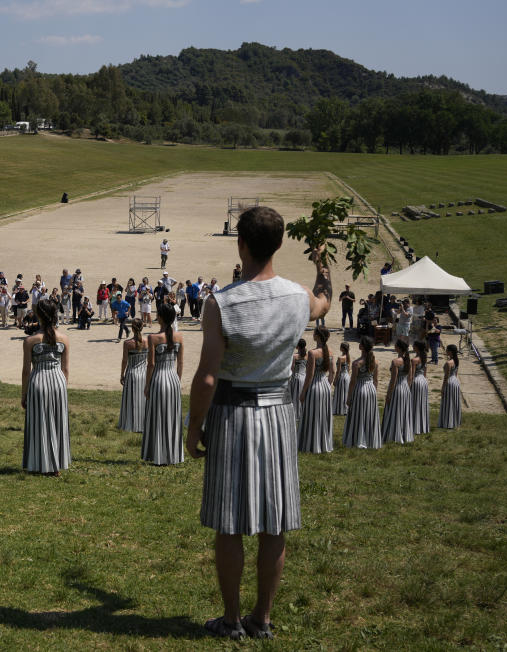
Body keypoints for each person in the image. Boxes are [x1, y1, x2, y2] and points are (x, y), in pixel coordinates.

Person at [184, 205, 332, 640]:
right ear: (281, 244)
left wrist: (193, 426)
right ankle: (262, 618)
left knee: (229, 522)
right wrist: (323, 262)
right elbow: (323, 300)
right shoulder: (298, 296)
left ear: (240, 243)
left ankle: (232, 620)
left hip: (232, 416)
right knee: (274, 523)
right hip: (279, 414)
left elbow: (208, 377)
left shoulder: (222, 302)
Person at [21, 300, 70, 476]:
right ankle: (56, 465)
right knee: (57, 421)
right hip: (58, 381)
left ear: (39, 316)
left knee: (40, 421)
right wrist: (63, 387)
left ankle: (40, 462)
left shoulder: (30, 340)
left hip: (39, 380)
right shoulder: (64, 338)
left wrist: (23, 394)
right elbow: (65, 369)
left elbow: (26, 371)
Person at [141, 304, 184, 465]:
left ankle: (159, 455)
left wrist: (147, 385)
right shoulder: (179, 336)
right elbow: (180, 363)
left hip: (159, 378)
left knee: (158, 415)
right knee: (172, 416)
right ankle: (172, 454)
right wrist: (177, 381)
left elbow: (151, 364)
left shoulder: (153, 338)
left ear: (160, 317)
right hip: (173, 378)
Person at [298, 325, 335, 454]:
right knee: (323, 414)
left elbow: (310, 375)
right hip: (325, 386)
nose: (313, 335)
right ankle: (323, 443)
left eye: (314, 333)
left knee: (312, 414)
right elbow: (333, 372)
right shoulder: (330, 352)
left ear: (318, 336)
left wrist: (303, 392)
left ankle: (311, 444)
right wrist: (327, 385)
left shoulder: (312, 353)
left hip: (314, 386)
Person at [342, 336, 381, 448]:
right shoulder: (375, 361)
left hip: (360, 388)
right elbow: (376, 380)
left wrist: (349, 397)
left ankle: (358, 439)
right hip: (371, 389)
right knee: (369, 414)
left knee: (359, 414)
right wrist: (374, 392)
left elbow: (353, 382)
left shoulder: (356, 363)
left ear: (362, 347)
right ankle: (369, 439)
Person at [381, 338, 414, 445]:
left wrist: (389, 394)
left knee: (395, 411)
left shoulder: (396, 362)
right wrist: (407, 389)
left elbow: (393, 380)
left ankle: (393, 434)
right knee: (403, 411)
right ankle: (404, 434)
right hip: (406, 388)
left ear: (398, 348)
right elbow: (410, 378)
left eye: (395, 346)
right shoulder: (408, 360)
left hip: (398, 388)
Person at [117, 319, 147, 432]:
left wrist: (121, 375)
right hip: (144, 373)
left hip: (132, 373)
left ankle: (130, 424)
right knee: (143, 400)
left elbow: (125, 360)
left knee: (131, 401)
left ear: (132, 329)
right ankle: (143, 424)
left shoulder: (128, 343)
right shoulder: (147, 341)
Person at [438, 344, 461, 429]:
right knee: (454, 402)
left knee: (448, 402)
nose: (446, 351)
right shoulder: (456, 360)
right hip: (455, 381)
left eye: (447, 350)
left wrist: (443, 388)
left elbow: (446, 377)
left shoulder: (449, 363)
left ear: (450, 351)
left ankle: (447, 422)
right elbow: (456, 373)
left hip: (450, 382)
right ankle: (453, 421)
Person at [411, 341, 430, 435]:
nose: (412, 346)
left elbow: (412, 374)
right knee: (422, 403)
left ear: (417, 347)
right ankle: (422, 425)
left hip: (417, 381)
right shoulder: (424, 358)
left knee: (414, 403)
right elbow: (425, 372)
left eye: (414, 345)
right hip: (423, 381)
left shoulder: (414, 360)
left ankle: (414, 425)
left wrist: (408, 384)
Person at [332, 342, 351, 416]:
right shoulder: (348, 357)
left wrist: (335, 379)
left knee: (340, 392)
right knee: (345, 393)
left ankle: (339, 409)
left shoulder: (340, 358)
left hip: (342, 376)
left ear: (342, 348)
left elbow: (338, 370)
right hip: (347, 376)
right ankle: (345, 409)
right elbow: (349, 369)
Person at [288, 340, 307, 409]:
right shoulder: (307, 356)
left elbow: (292, 368)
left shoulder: (295, 356)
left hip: (296, 377)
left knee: (295, 396)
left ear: (297, 346)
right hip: (304, 377)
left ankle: (295, 412)